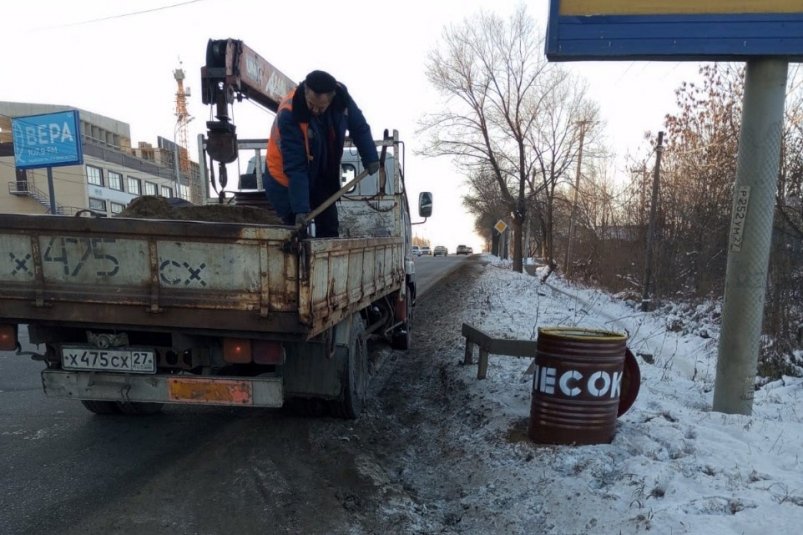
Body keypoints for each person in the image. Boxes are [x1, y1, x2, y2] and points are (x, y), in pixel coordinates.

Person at [264, 70, 380, 237]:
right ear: (305, 93)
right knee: (295, 234)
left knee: (329, 225)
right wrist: (300, 209)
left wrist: (370, 156)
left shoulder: (342, 101)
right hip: (283, 180)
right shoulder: (290, 112)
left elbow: (359, 127)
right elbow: (296, 167)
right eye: (311, 104)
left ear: (331, 100)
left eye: (321, 107)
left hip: (320, 172)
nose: (315, 111)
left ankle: (325, 261)